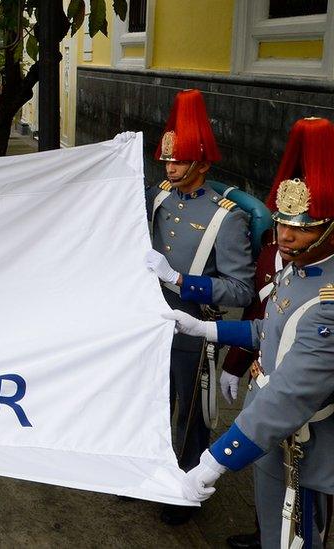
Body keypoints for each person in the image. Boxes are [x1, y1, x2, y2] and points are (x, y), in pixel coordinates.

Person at [170, 117, 334, 549]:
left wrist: (215, 460)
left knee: (295, 540)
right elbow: (270, 330)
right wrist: (207, 327)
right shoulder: (300, 272)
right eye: (282, 222)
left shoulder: (328, 297)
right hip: (265, 432)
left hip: (302, 443)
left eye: (302, 227)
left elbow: (293, 393)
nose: (285, 235)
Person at [144, 88, 255, 525]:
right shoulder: (160, 197)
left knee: (189, 414)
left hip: (193, 329)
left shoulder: (226, 217)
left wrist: (180, 280)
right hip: (151, 320)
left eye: (179, 160)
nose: (169, 167)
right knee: (149, 402)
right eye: (167, 159)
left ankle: (186, 488)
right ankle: (146, 471)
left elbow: (241, 290)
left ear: (202, 164)